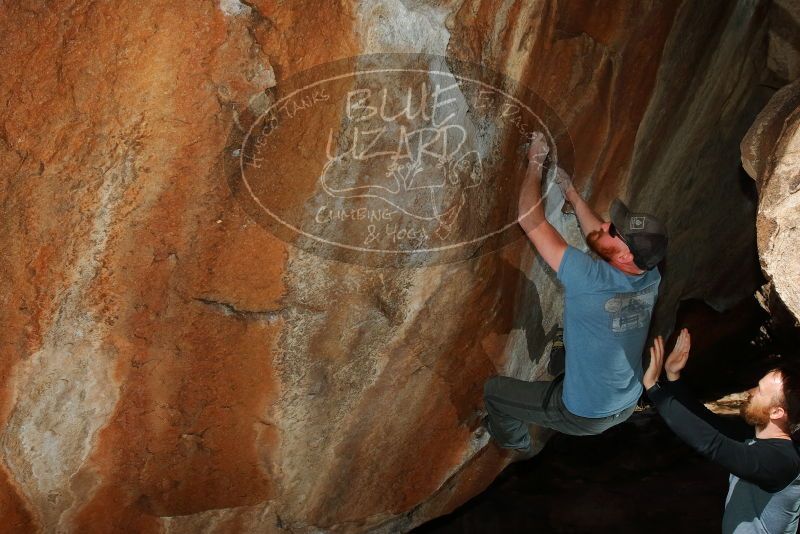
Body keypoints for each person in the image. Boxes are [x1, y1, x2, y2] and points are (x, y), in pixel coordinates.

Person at [483, 131, 669, 454]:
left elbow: (529, 218)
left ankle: (516, 443)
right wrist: (571, 192)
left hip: (584, 413)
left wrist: (535, 163)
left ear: (625, 257)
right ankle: (564, 360)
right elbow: (600, 237)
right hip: (628, 398)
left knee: (494, 393)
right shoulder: (651, 275)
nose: (608, 224)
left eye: (616, 230)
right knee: (574, 336)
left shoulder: (590, 279)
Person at [644, 329, 800, 533]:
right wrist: (673, 377)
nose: (749, 391)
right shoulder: (754, 439)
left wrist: (653, 389)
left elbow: (713, 444)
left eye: (759, 390)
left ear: (777, 412)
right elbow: (707, 422)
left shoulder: (782, 460)